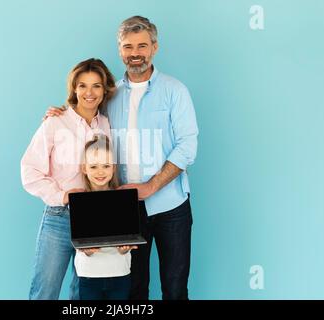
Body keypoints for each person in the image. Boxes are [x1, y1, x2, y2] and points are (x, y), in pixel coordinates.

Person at [44, 16, 198, 300]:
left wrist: (151, 186)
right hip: (124, 210)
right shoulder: (109, 94)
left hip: (171, 206)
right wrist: (61, 112)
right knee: (133, 290)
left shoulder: (175, 91)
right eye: (128, 46)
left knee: (175, 289)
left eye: (142, 45)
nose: (135, 53)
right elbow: (86, 118)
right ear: (120, 50)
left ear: (154, 47)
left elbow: (187, 146)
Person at [20, 58, 116, 300]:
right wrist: (63, 195)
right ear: (74, 88)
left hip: (95, 217)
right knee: (45, 291)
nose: (89, 92)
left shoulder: (105, 124)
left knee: (83, 293)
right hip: (59, 217)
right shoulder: (55, 122)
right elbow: (29, 171)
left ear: (104, 90)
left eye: (96, 85)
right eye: (82, 85)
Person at [75, 134, 138, 300]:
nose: (100, 172)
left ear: (114, 167)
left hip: (120, 273)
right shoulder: (78, 201)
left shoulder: (124, 200)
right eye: (94, 166)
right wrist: (86, 251)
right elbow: (78, 240)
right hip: (89, 275)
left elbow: (127, 238)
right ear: (84, 168)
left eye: (106, 165)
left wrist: (124, 249)